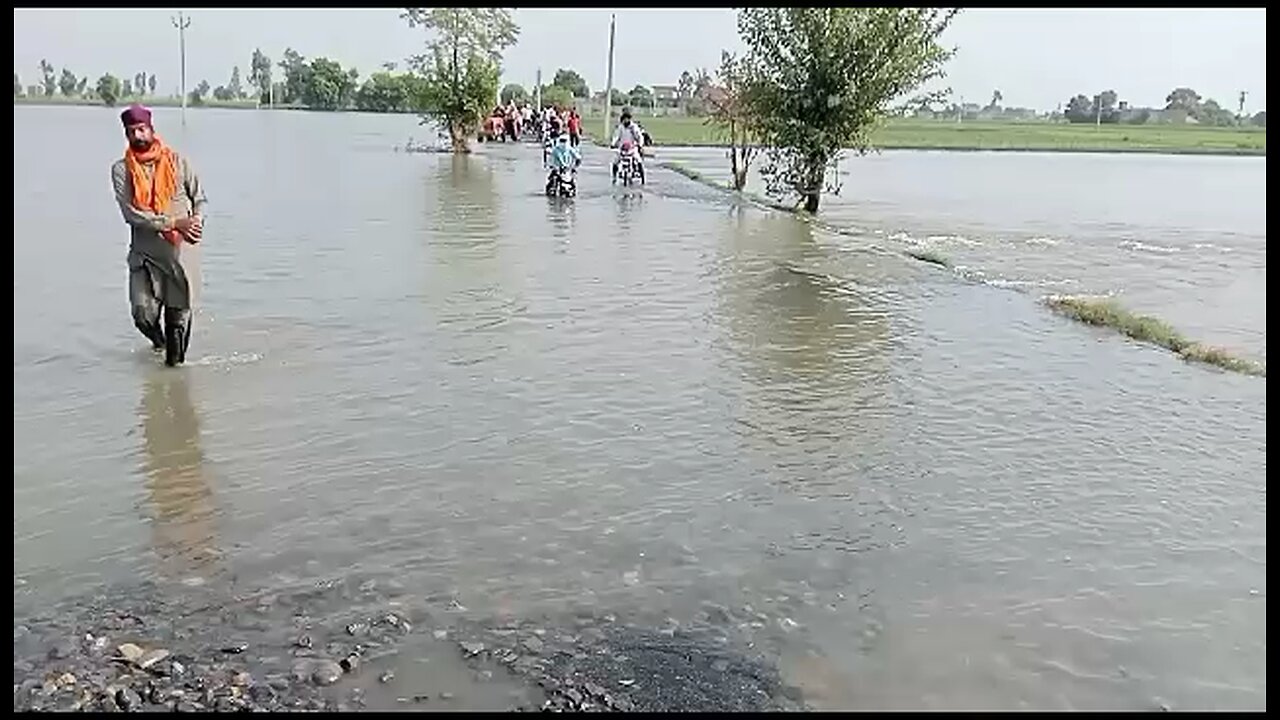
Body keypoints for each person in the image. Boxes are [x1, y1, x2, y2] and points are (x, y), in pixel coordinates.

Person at [111, 104, 207, 367]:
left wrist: (196, 220)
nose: (138, 136)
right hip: (144, 255)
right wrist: (175, 221)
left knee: (175, 353)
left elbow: (200, 199)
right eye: (132, 132)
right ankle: (157, 343)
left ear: (152, 129)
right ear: (127, 135)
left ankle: (172, 375)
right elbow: (132, 215)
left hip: (179, 256)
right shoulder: (122, 170)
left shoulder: (178, 162)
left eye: (142, 130)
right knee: (142, 314)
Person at [610, 111, 646, 182]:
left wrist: (640, 145)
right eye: (624, 119)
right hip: (622, 148)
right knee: (615, 161)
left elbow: (639, 136)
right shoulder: (620, 127)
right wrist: (613, 144)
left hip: (632, 148)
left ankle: (642, 177)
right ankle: (614, 176)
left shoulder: (634, 127)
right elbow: (616, 136)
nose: (626, 121)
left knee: (638, 160)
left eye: (627, 119)